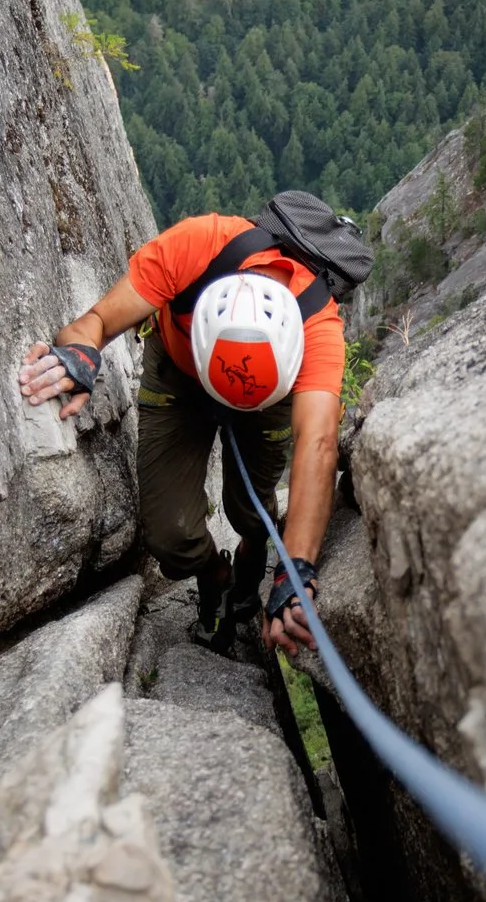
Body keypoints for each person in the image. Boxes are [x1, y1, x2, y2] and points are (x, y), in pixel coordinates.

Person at [17, 213, 341, 655]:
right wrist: (78, 352)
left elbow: (318, 443)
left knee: (250, 509)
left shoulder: (318, 323)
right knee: (170, 537)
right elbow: (96, 321)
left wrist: (296, 570)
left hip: (270, 397)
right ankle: (215, 575)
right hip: (179, 373)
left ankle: (253, 550)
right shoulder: (194, 246)